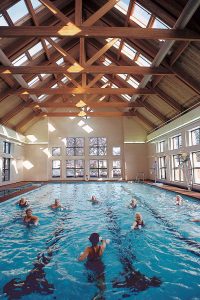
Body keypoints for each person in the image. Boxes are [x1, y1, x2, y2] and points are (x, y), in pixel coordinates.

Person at [78, 233, 107, 298]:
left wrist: (80, 255)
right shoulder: (101, 247)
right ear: (98, 241)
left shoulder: (88, 249)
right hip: (100, 266)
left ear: (90, 241)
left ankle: (97, 296)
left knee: (91, 280)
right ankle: (100, 294)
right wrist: (102, 240)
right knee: (102, 283)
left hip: (91, 266)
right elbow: (104, 243)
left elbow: (80, 259)